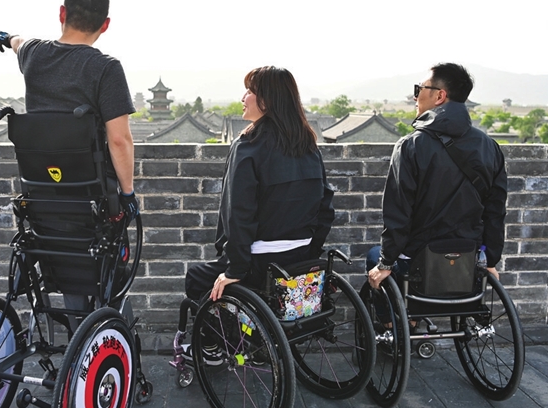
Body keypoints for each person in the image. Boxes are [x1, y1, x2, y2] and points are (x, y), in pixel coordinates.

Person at [0, 0, 138, 326]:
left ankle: (76, 333)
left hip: (42, 198)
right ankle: (105, 335)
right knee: (108, 261)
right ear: (105, 24)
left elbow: (19, 43)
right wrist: (128, 195)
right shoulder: (106, 68)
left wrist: (8, 38)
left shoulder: (35, 55)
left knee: (63, 255)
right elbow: (120, 140)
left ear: (62, 13)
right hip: (92, 198)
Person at [185, 65, 335, 303]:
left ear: (266, 100)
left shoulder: (248, 147)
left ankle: (219, 328)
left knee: (196, 278)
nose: (243, 98)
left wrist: (235, 270)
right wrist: (311, 252)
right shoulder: (308, 145)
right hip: (301, 257)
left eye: (249, 91)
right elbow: (325, 206)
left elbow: (238, 214)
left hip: (259, 262)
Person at [367, 63, 506, 292]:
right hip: (466, 259)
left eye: (419, 89)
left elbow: (398, 213)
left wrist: (386, 262)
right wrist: (490, 260)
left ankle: (391, 314)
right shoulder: (490, 147)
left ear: (440, 96)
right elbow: (495, 211)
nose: (415, 97)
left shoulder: (411, 146)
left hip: (418, 259)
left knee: (374, 257)